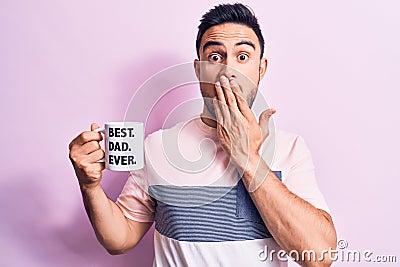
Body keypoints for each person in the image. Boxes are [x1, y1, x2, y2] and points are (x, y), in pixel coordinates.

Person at [69, 3, 337, 266]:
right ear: (198, 70)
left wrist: (248, 159)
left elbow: (320, 256)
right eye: (215, 57)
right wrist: (89, 185)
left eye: (242, 57)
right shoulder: (158, 146)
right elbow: (120, 239)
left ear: (261, 69)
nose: (227, 71)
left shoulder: (290, 149)